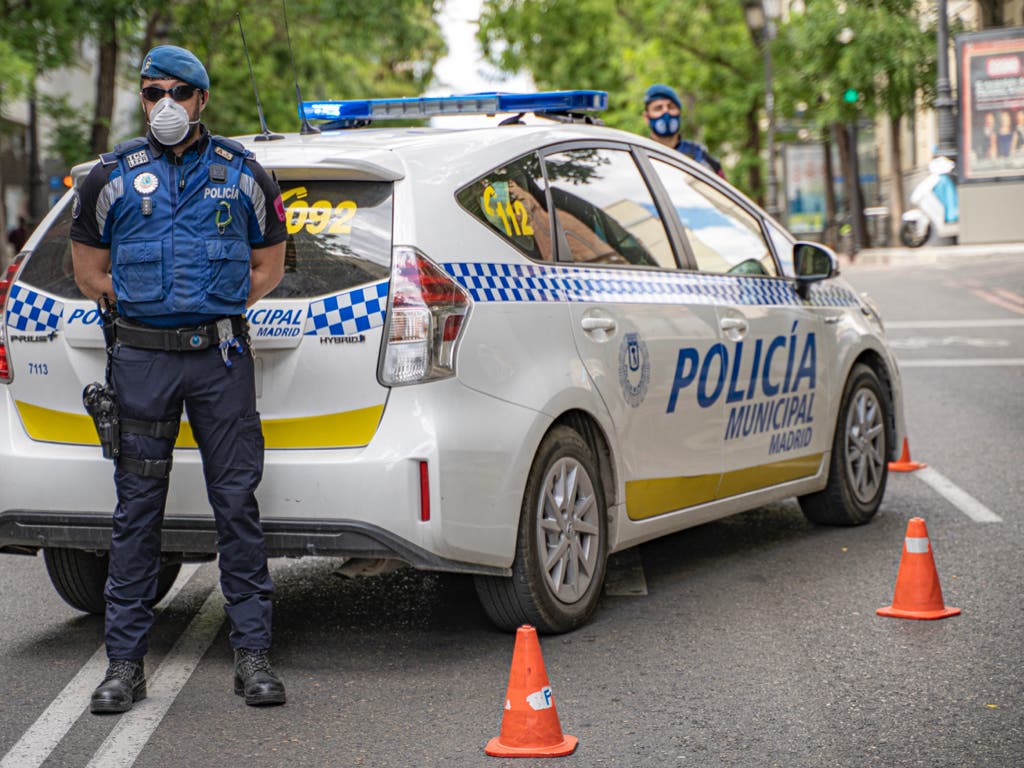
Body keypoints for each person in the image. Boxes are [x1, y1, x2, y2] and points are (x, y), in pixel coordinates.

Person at [70, 45, 288, 714]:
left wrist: (205, 311)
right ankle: (124, 666)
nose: (164, 103)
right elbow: (90, 273)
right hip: (141, 364)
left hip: (218, 362)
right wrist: (154, 317)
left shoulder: (245, 173)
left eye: (179, 91)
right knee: (136, 515)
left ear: (202, 99)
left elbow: (267, 269)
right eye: (151, 91)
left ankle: (252, 656)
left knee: (236, 509)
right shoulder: (107, 177)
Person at [642, 83, 724, 177]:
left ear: (679, 113)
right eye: (658, 108)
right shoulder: (641, 154)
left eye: (671, 107)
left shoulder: (699, 156)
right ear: (646, 117)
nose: (666, 112)